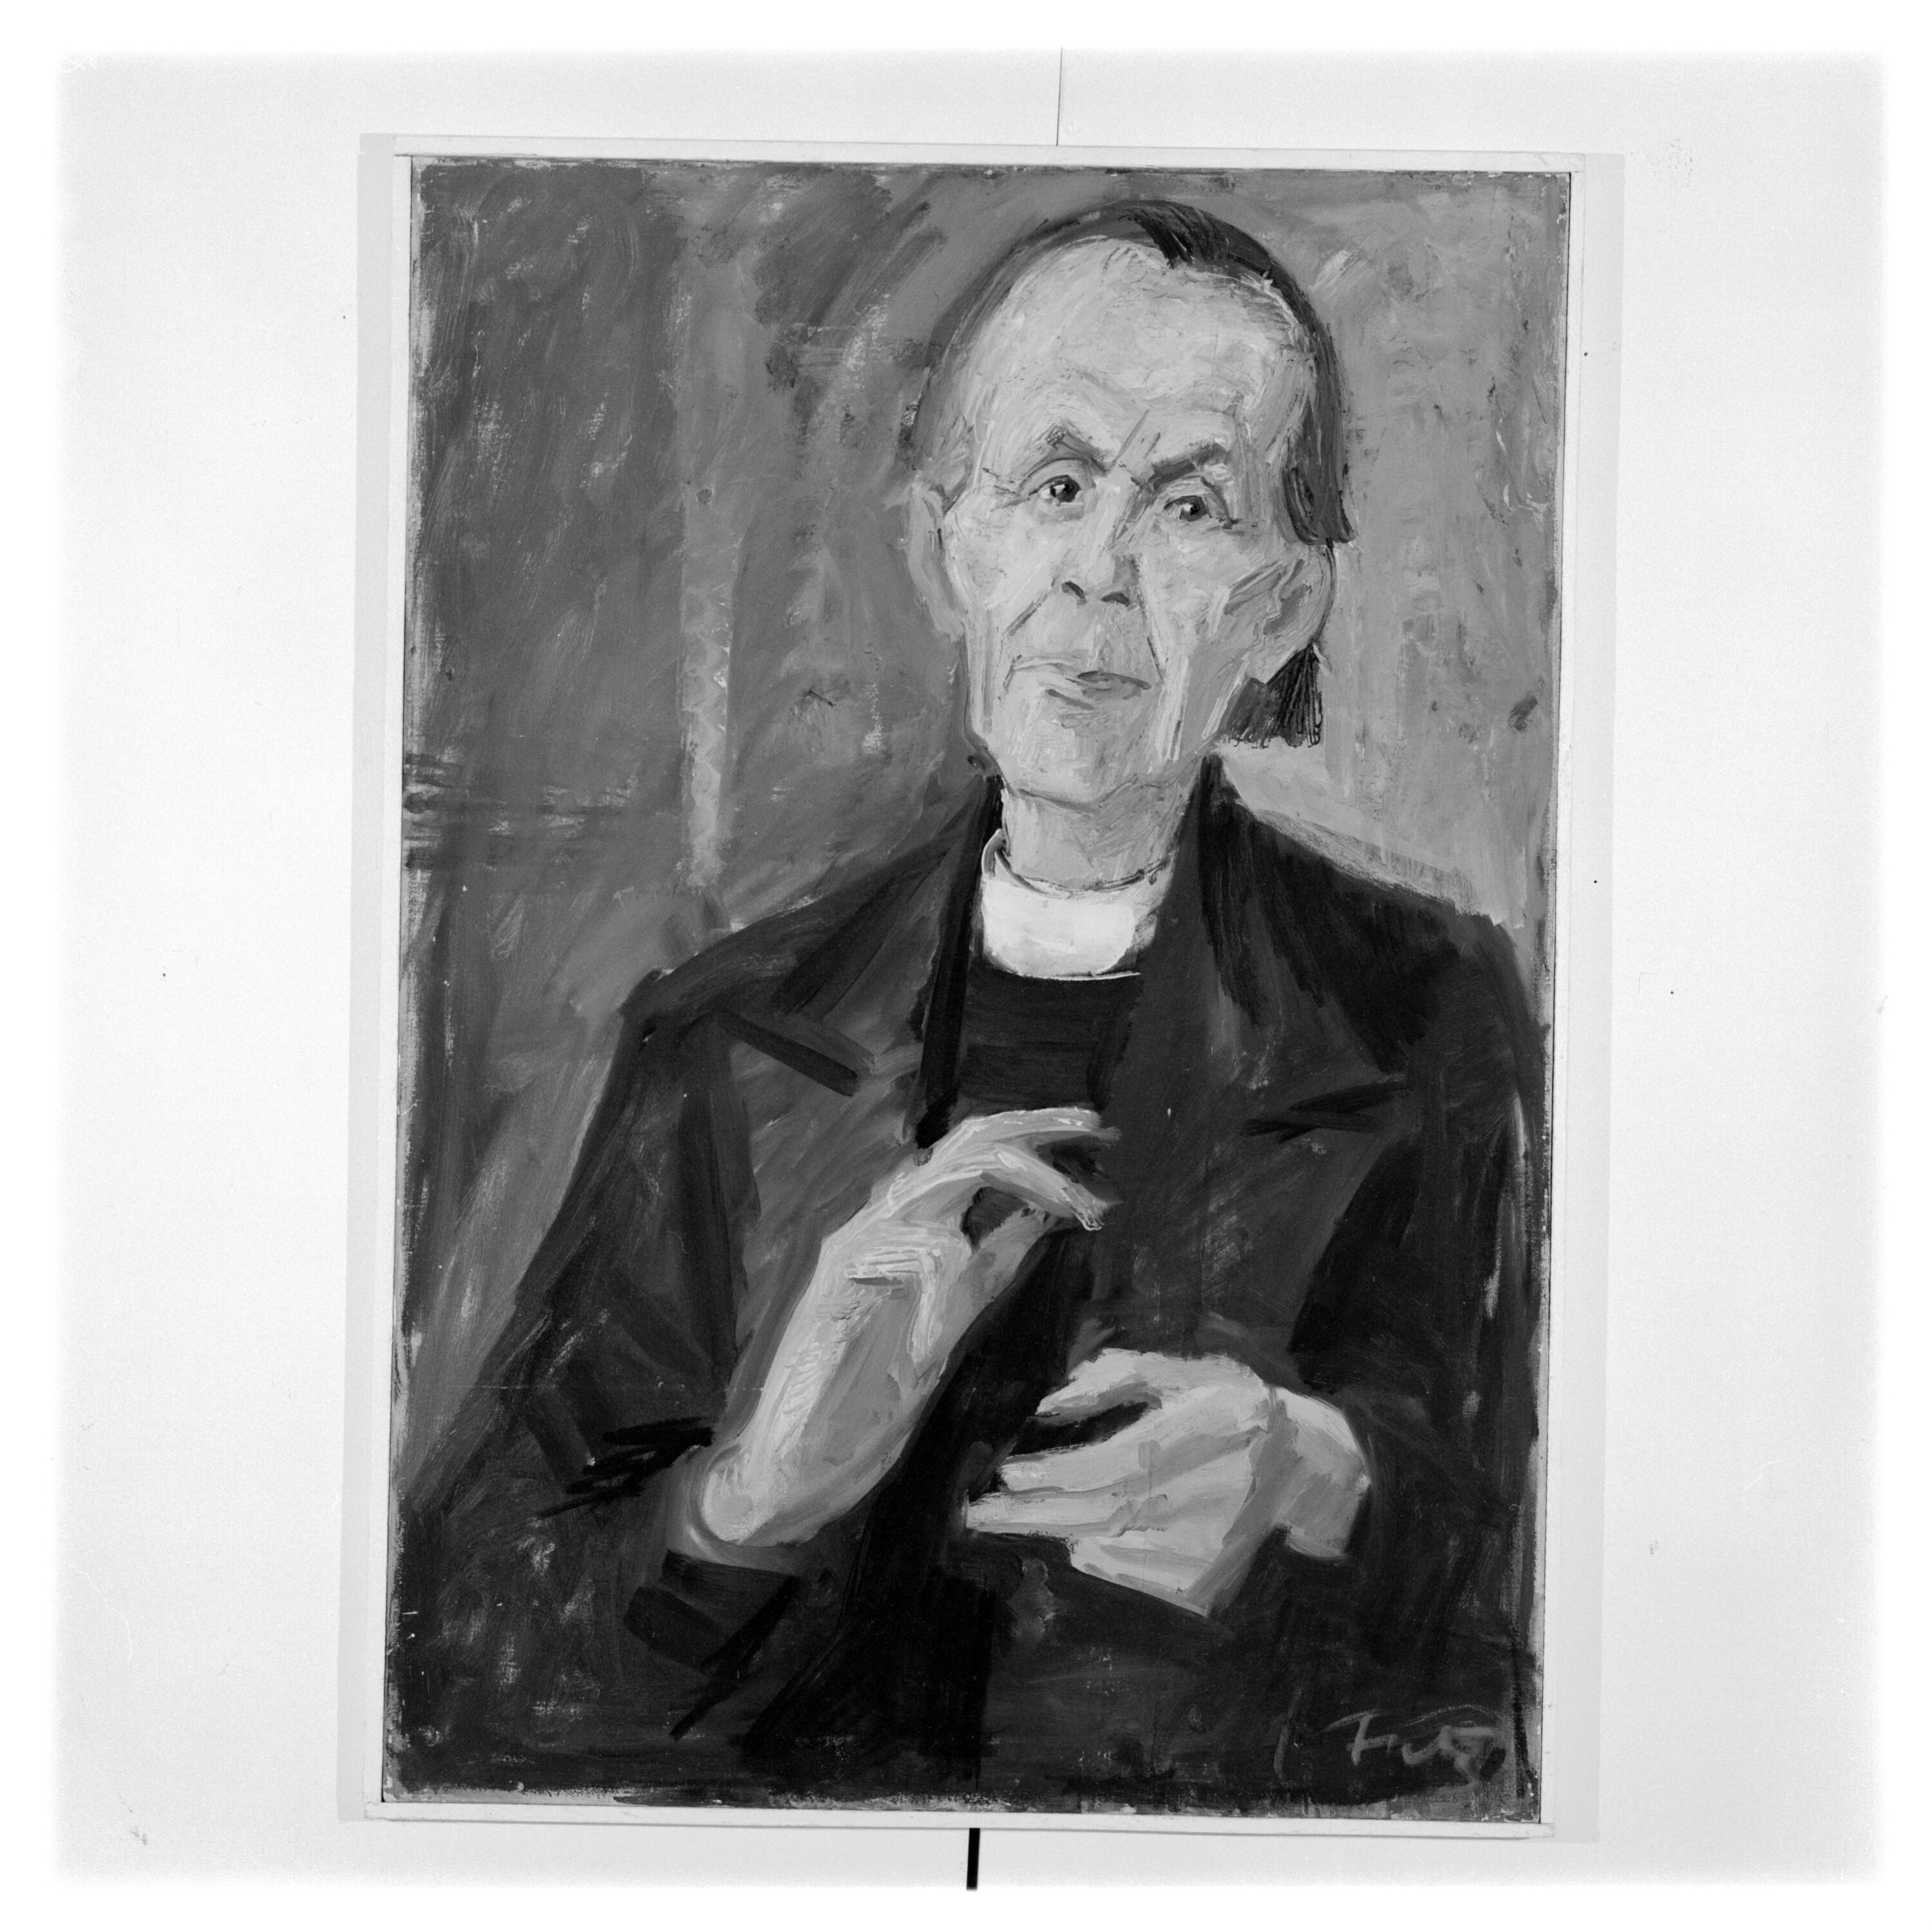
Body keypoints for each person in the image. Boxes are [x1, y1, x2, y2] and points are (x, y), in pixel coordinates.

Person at [387, 200, 1545, 1814]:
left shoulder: (1431, 1019)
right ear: (951, 546)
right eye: (1054, 485)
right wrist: (750, 1493)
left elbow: (1553, 1609)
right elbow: (451, 1659)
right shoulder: (727, 1039)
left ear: (1284, 601)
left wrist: (1319, 1480)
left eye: (1190, 504)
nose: (1101, 572)